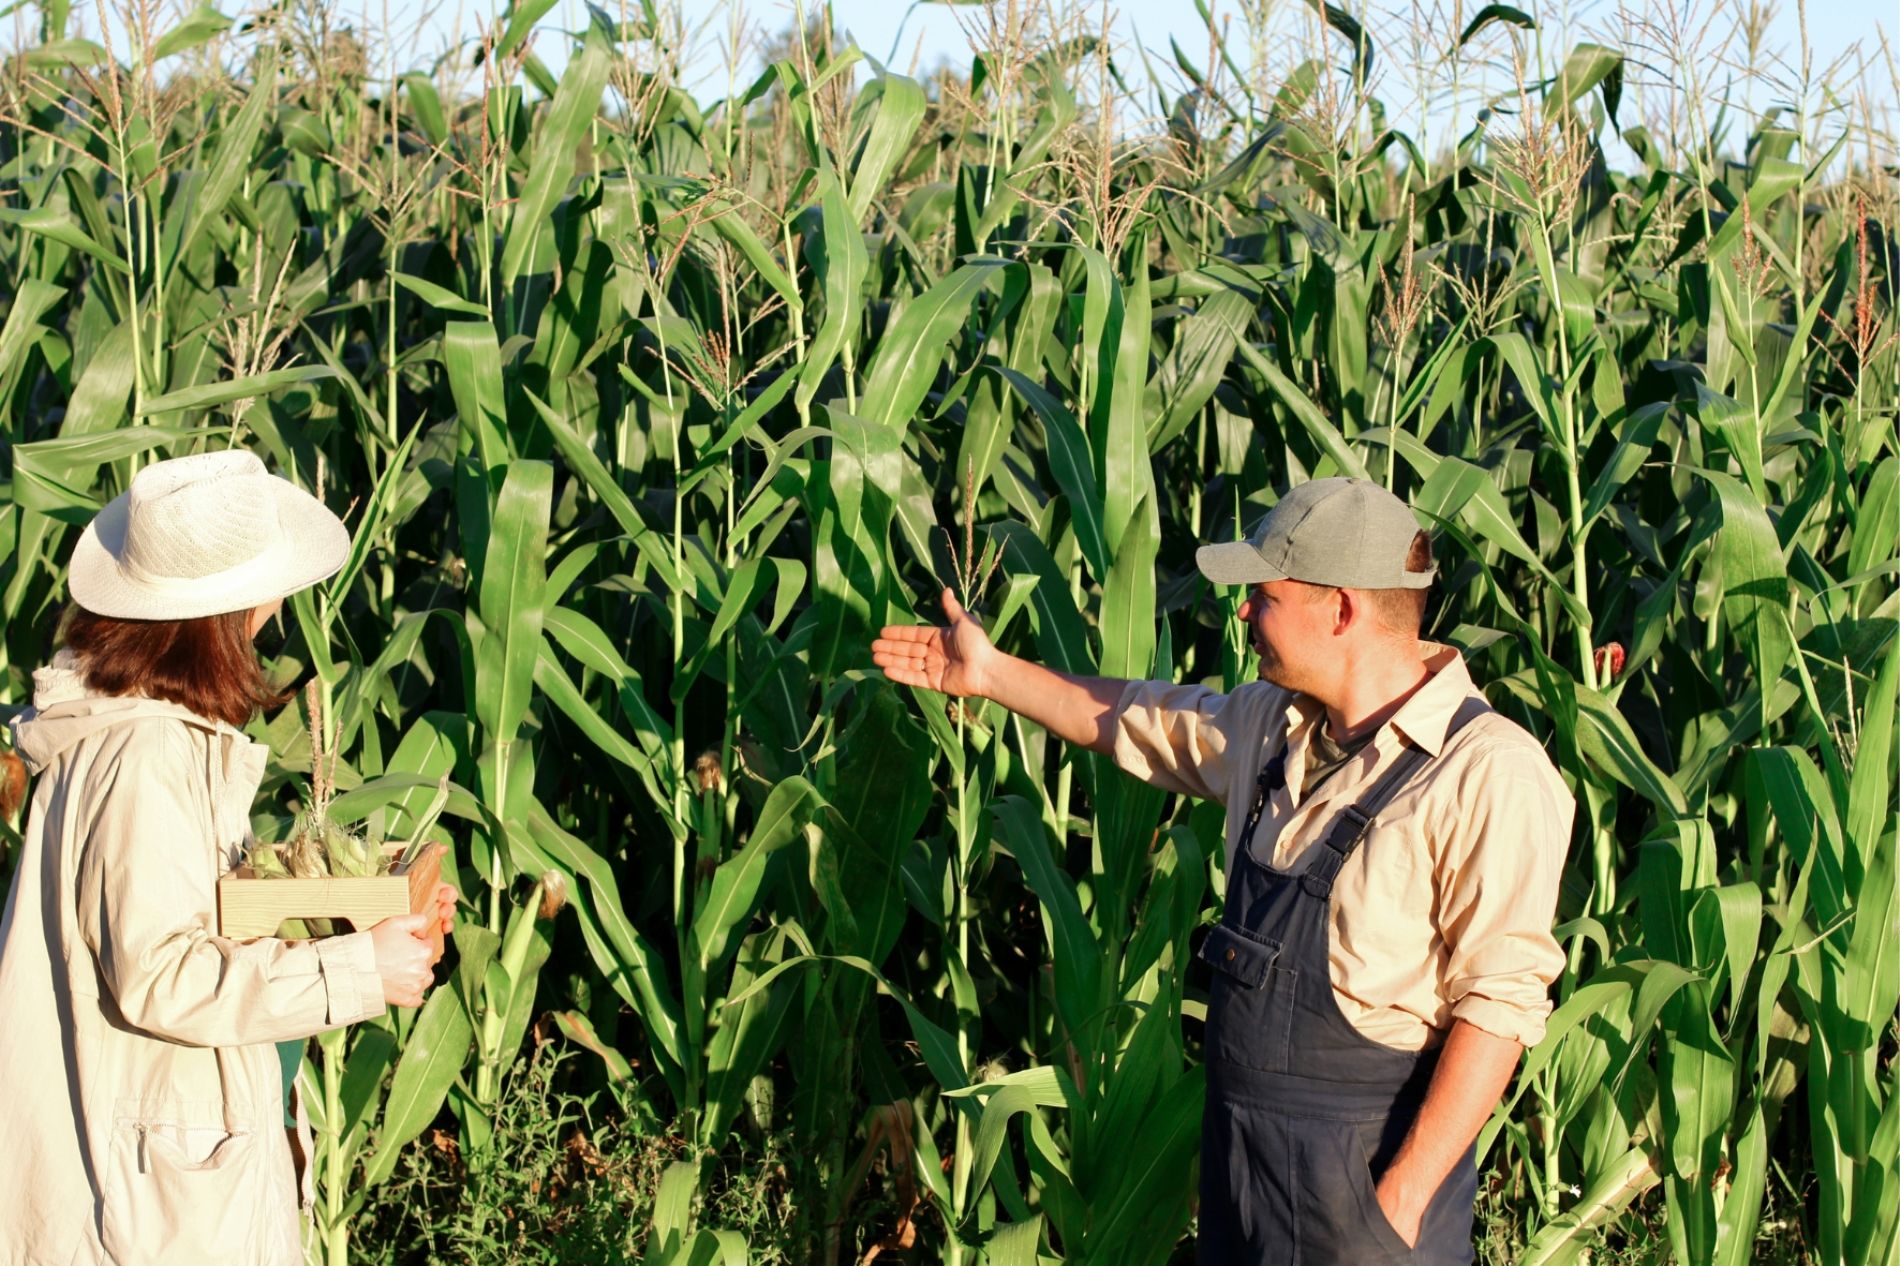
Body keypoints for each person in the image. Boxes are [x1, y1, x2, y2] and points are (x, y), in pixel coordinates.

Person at [872, 476, 1571, 1265]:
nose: (1243, 613)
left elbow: (1500, 1011)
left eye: (1263, 595)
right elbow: (1133, 719)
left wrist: (1395, 1212)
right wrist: (991, 674)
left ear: (1339, 609)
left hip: (1368, 1195)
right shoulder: (1274, 727)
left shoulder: (1487, 773)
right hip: (1244, 1185)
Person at [0, 450, 457, 1266]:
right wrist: (357, 970)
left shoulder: (136, 731)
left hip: (152, 1172)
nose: (279, 604)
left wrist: (347, 916)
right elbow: (162, 974)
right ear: (227, 611)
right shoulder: (145, 757)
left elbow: (174, 920)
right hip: (148, 1206)